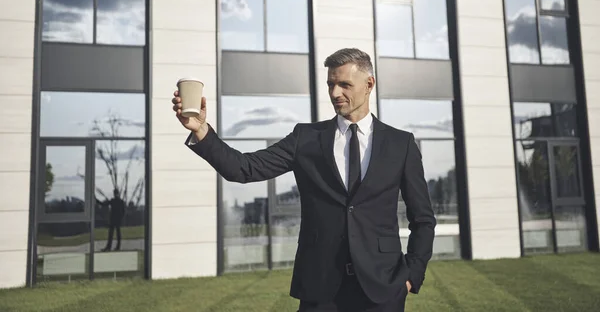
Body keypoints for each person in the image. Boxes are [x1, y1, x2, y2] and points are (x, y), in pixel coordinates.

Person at [172, 48, 436, 312]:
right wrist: (201, 130)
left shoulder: (401, 144)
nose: (334, 93)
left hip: (384, 288)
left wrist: (412, 275)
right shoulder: (306, 139)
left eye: (344, 84)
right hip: (321, 290)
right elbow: (244, 168)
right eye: (330, 84)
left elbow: (422, 218)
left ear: (369, 85)